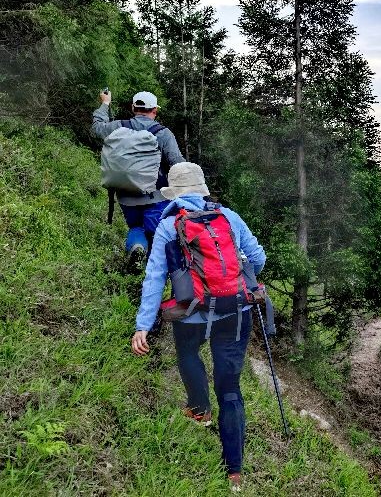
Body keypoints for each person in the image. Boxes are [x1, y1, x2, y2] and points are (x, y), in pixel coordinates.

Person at [131, 163, 266, 492]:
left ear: (174, 193)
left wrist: (143, 325)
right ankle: (234, 472)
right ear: (202, 188)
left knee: (188, 352)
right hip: (235, 311)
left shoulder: (168, 224)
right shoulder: (229, 216)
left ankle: (200, 410)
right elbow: (258, 258)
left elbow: (154, 278)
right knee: (231, 390)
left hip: (191, 312)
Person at [91, 90, 185, 263]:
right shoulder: (163, 133)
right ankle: (153, 273)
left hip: (125, 195)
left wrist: (105, 104)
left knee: (136, 227)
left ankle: (137, 249)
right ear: (155, 110)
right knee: (156, 233)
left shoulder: (117, 127)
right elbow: (177, 164)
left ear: (133, 108)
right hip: (156, 196)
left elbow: (96, 128)